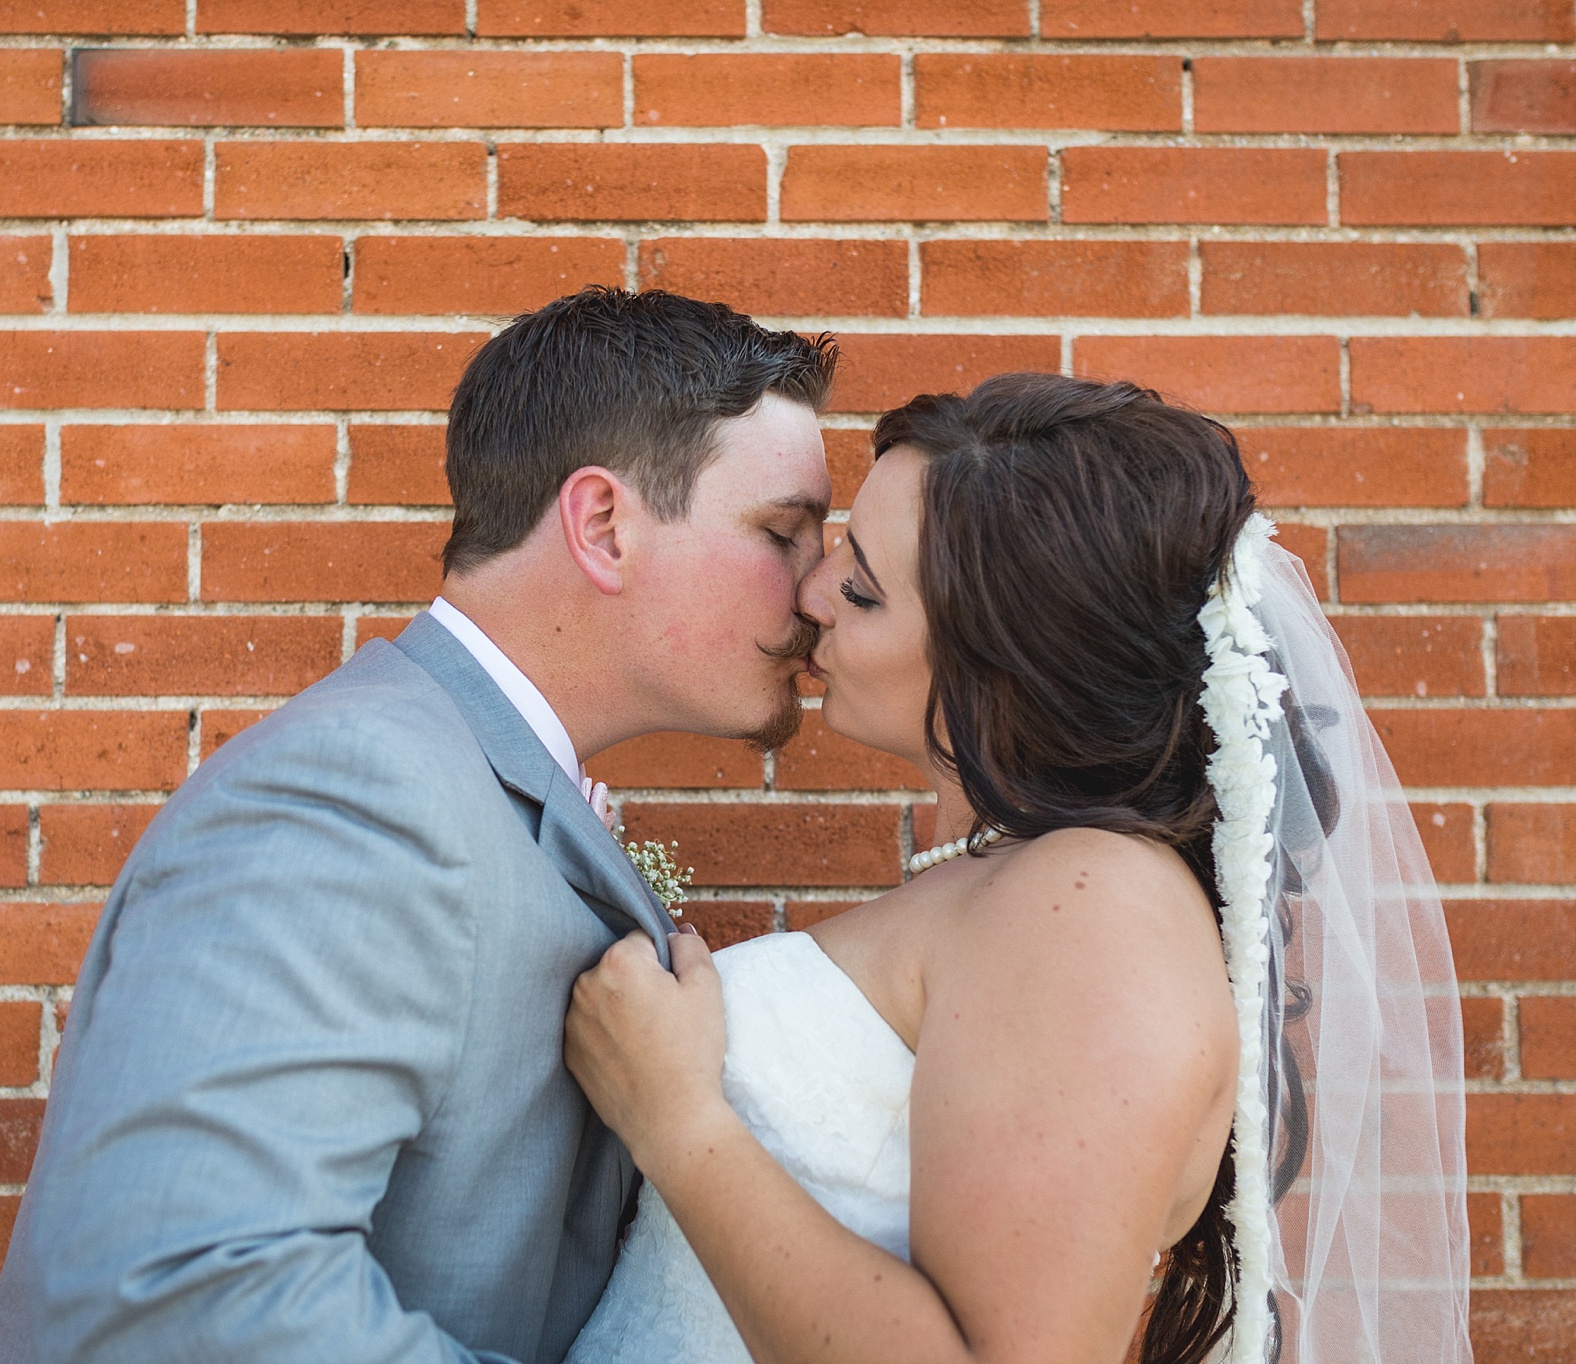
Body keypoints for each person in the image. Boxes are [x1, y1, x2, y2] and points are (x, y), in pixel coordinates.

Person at [0, 288, 838, 1364]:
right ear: (603, 525)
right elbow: (177, 1299)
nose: (817, 593)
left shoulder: (458, 779)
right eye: (782, 533)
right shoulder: (356, 796)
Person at [563, 373, 1473, 1364]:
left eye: (862, 584)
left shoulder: (1086, 907)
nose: (813, 593)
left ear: (1006, 664)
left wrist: (678, 1120)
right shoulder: (1022, 882)